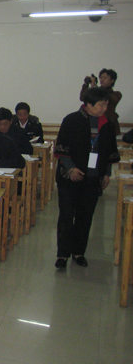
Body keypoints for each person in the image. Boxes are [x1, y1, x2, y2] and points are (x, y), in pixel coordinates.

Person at [54, 87, 119, 269]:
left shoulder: (107, 125)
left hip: (92, 179)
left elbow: (109, 152)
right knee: (67, 216)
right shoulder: (71, 120)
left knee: (85, 217)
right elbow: (61, 149)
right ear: (88, 104)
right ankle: (62, 254)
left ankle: (79, 252)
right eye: (101, 105)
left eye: (106, 105)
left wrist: (106, 173)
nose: (104, 108)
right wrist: (71, 169)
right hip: (69, 178)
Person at [80, 68, 122, 134]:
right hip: (95, 121)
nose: (102, 80)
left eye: (105, 78)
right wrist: (86, 84)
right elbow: (83, 98)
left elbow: (108, 98)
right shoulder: (96, 91)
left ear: (112, 80)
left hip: (109, 125)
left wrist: (95, 87)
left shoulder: (116, 94)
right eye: (101, 77)